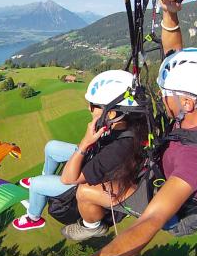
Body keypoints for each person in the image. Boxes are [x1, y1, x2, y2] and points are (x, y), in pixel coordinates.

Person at [54, 0, 197, 256]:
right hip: (157, 168)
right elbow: (175, 52)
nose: (161, 98)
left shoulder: (195, 160)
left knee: (83, 190)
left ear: (186, 101)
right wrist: (170, 15)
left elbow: (151, 222)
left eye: (166, 94)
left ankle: (93, 226)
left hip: (160, 197)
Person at [12, 69, 148, 232]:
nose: (89, 108)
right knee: (51, 147)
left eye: (93, 105)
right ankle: (46, 180)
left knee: (36, 184)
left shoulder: (118, 148)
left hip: (88, 183)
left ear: (111, 113)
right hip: (97, 160)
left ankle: (33, 217)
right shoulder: (127, 123)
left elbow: (68, 179)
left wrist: (85, 143)